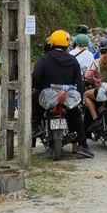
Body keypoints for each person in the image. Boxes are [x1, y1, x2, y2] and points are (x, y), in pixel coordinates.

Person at [31, 30, 92, 158]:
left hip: (48, 96)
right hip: (67, 97)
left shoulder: (44, 59)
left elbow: (36, 77)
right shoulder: (72, 60)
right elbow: (79, 82)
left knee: (34, 99)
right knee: (76, 116)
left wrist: (38, 87)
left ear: (52, 43)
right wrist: (79, 97)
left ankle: (36, 126)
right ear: (67, 44)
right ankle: (83, 146)